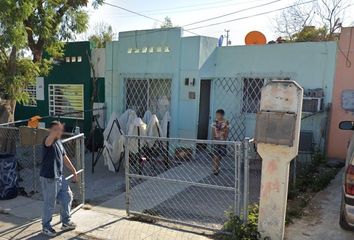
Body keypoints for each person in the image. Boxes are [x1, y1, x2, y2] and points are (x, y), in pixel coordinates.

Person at [40, 121, 77, 237]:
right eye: (57, 129)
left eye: (60, 129)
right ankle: (46, 227)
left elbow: (65, 158)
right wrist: (54, 131)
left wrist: (74, 171)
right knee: (49, 203)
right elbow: (48, 141)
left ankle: (66, 222)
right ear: (51, 130)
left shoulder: (59, 143)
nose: (60, 132)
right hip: (49, 177)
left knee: (68, 196)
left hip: (60, 177)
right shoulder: (48, 140)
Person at [211, 109, 229, 175]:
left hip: (222, 141)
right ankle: (215, 169)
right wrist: (213, 139)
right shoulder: (214, 122)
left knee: (220, 156)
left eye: (218, 115)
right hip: (216, 140)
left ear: (222, 115)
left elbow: (227, 131)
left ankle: (217, 167)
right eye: (216, 115)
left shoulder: (226, 122)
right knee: (215, 155)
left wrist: (225, 140)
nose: (217, 116)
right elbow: (213, 130)